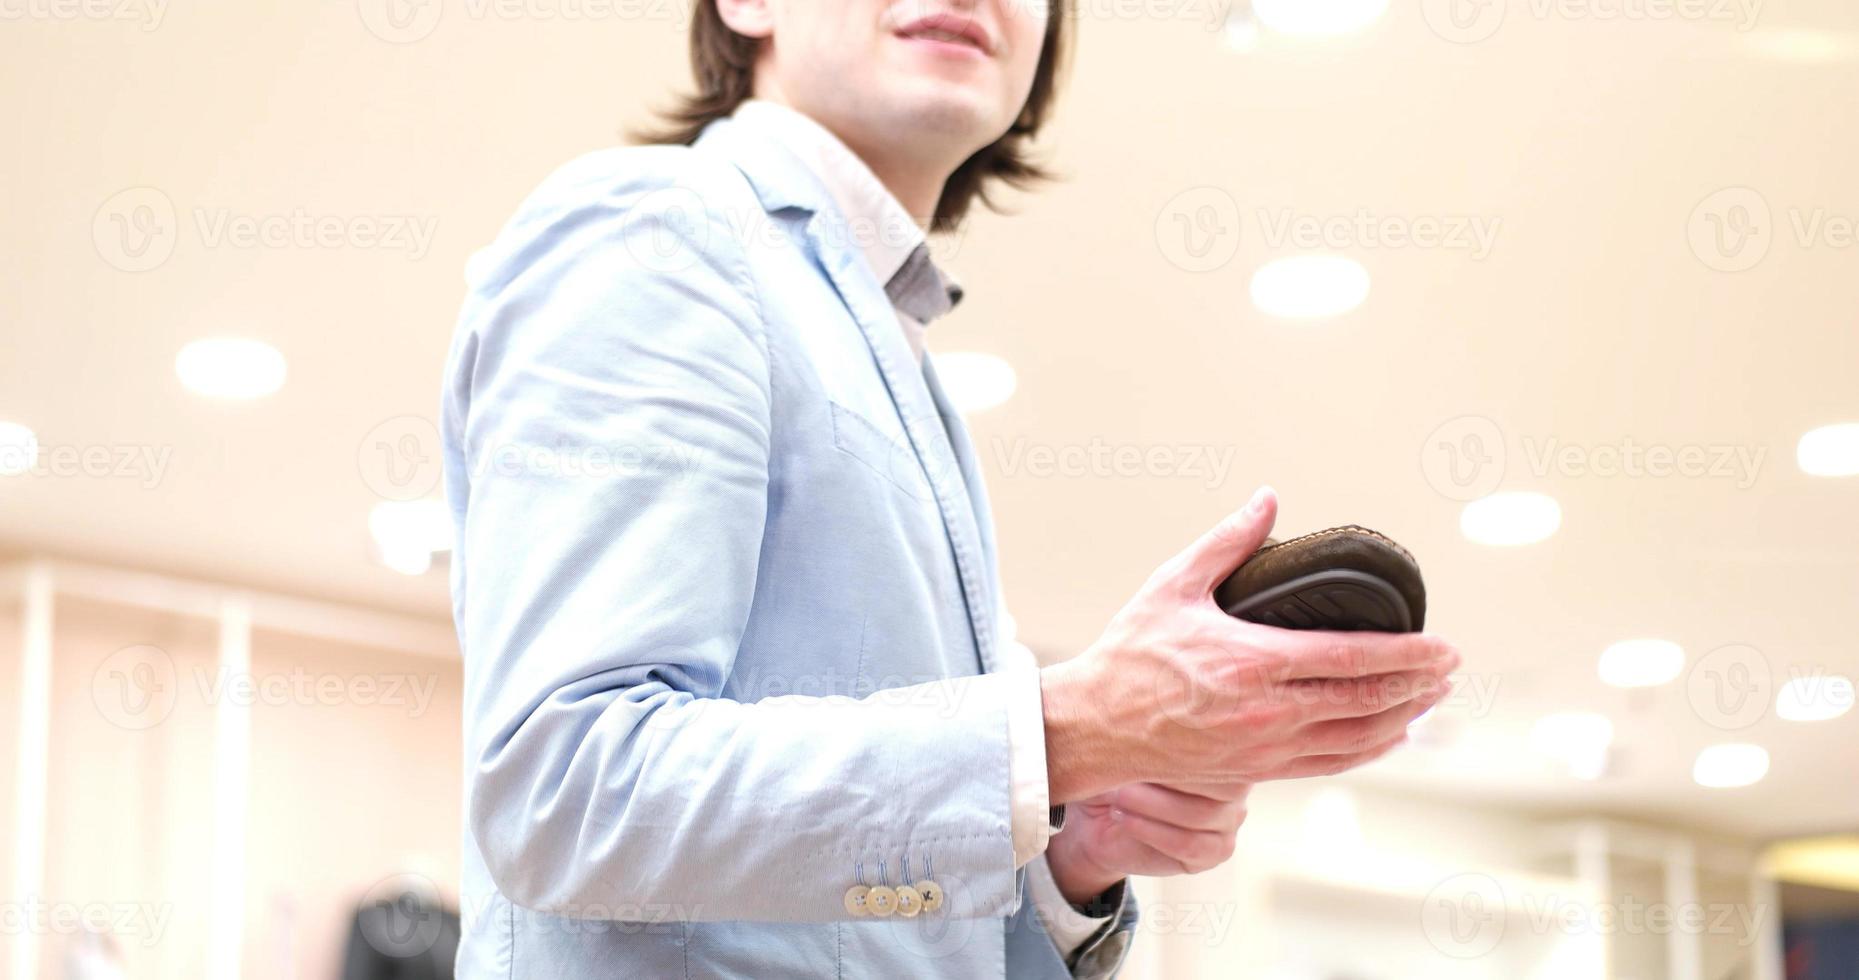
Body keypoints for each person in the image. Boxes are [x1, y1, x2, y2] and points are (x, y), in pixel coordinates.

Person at [440, 1, 1462, 976]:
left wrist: (1070, 852)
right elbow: (564, 794)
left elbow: (855, 916)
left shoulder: (895, 354)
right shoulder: (656, 228)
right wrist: (1073, 726)